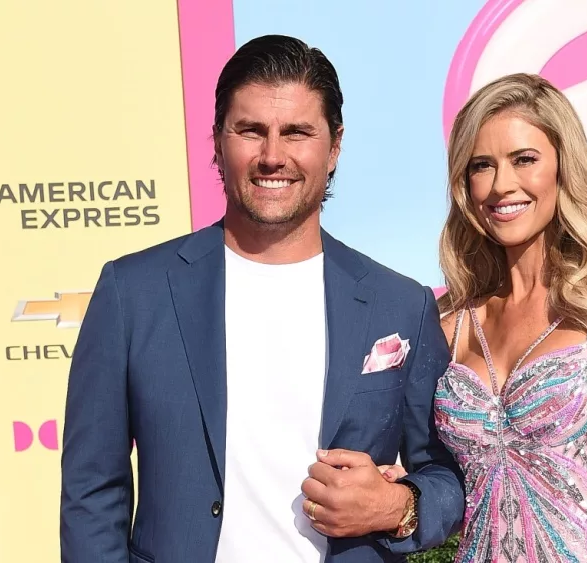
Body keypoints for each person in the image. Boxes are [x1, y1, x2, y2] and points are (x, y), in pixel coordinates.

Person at [60, 34, 464, 563]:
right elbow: (92, 488)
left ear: (334, 146)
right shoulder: (133, 292)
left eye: (297, 132)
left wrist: (396, 507)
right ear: (217, 141)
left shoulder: (400, 305)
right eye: (251, 130)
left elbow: (448, 475)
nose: (273, 156)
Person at [380, 73, 587, 562]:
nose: (503, 185)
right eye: (483, 166)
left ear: (563, 168)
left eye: (524, 159)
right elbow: (440, 482)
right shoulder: (448, 326)